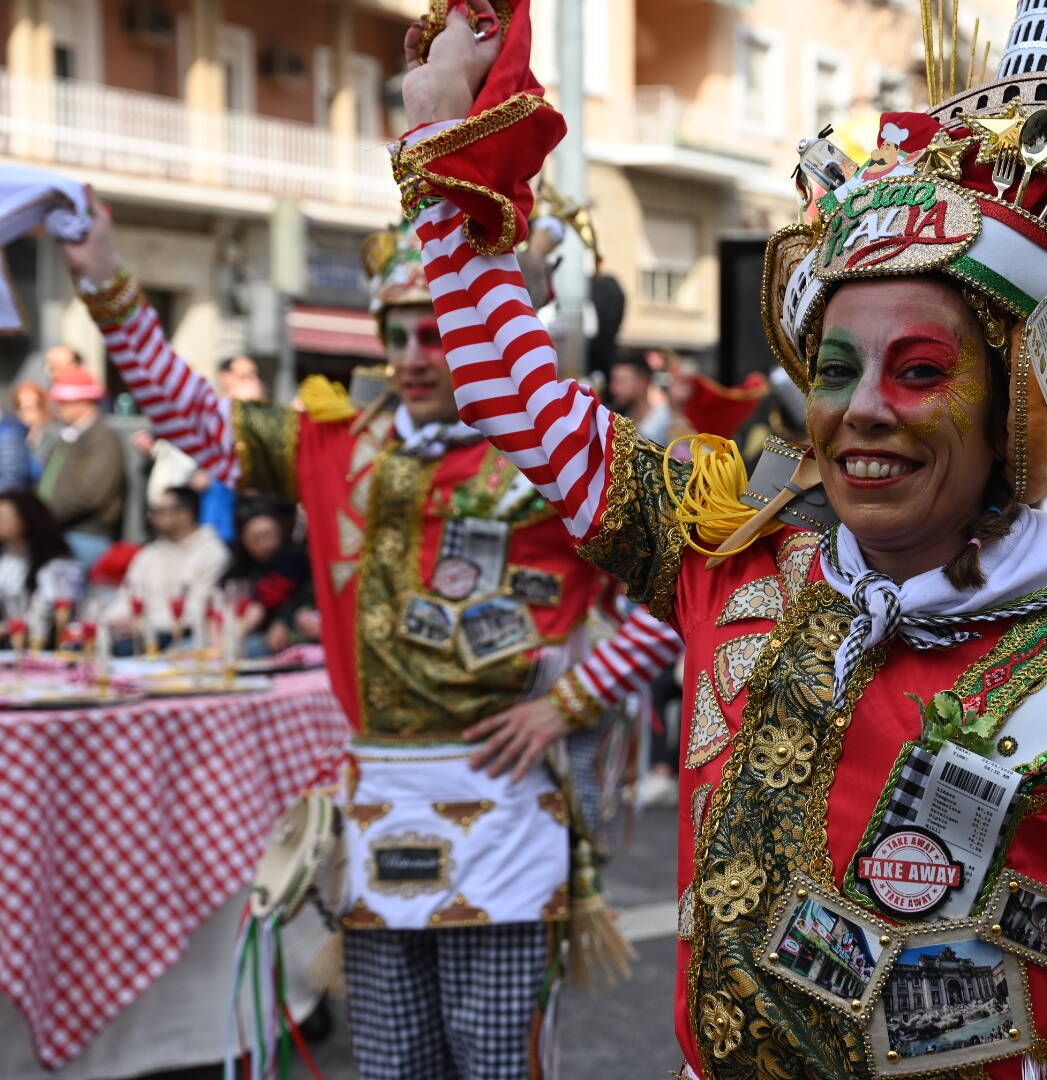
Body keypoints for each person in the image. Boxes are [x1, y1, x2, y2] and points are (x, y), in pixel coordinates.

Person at [396, 4, 1047, 1077]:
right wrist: (435, 134)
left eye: (920, 371)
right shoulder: (742, 558)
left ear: (1012, 407)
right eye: (838, 371)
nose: (865, 410)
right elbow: (518, 395)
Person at [57, 177, 682, 1079]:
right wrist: (107, 284)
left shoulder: (555, 449)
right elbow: (191, 420)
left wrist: (571, 702)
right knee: (393, 1064)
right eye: (399, 335)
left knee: (496, 1060)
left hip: (507, 804)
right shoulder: (339, 436)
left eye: (439, 332)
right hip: (376, 799)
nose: (418, 355)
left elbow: (684, 589)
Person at [103, 485, 230, 642]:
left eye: (161, 511)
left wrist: (142, 625)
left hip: (189, 638)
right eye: (153, 511)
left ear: (186, 515)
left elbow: (196, 611)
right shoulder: (149, 553)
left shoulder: (212, 552)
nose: (153, 517)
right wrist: (111, 621)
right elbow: (126, 597)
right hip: (137, 636)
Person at [37, 366, 125, 565]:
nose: (59, 407)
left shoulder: (102, 438)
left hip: (86, 535)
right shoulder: (68, 435)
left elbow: (91, 494)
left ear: (85, 401)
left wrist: (44, 515)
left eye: (65, 402)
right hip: (61, 531)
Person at [225, 496, 314, 657]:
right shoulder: (239, 567)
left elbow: (301, 597)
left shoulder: (295, 560)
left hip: (287, 635)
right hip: (243, 634)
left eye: (269, 535)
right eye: (256, 538)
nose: (265, 543)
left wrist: (283, 622)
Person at [0, 489, 83, 635]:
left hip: (41, 640)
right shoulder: (6, 556)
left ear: (26, 519)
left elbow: (51, 612)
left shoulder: (56, 564)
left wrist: (10, 628)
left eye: (4, 517)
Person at [608, 349, 673, 444]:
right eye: (613, 381)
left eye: (622, 381)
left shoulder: (666, 421)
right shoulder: (612, 422)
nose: (614, 389)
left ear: (643, 382)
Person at [13, 380, 53, 481]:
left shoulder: (53, 434)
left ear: (42, 407)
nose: (23, 412)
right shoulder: (15, 434)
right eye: (19, 407)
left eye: (29, 408)